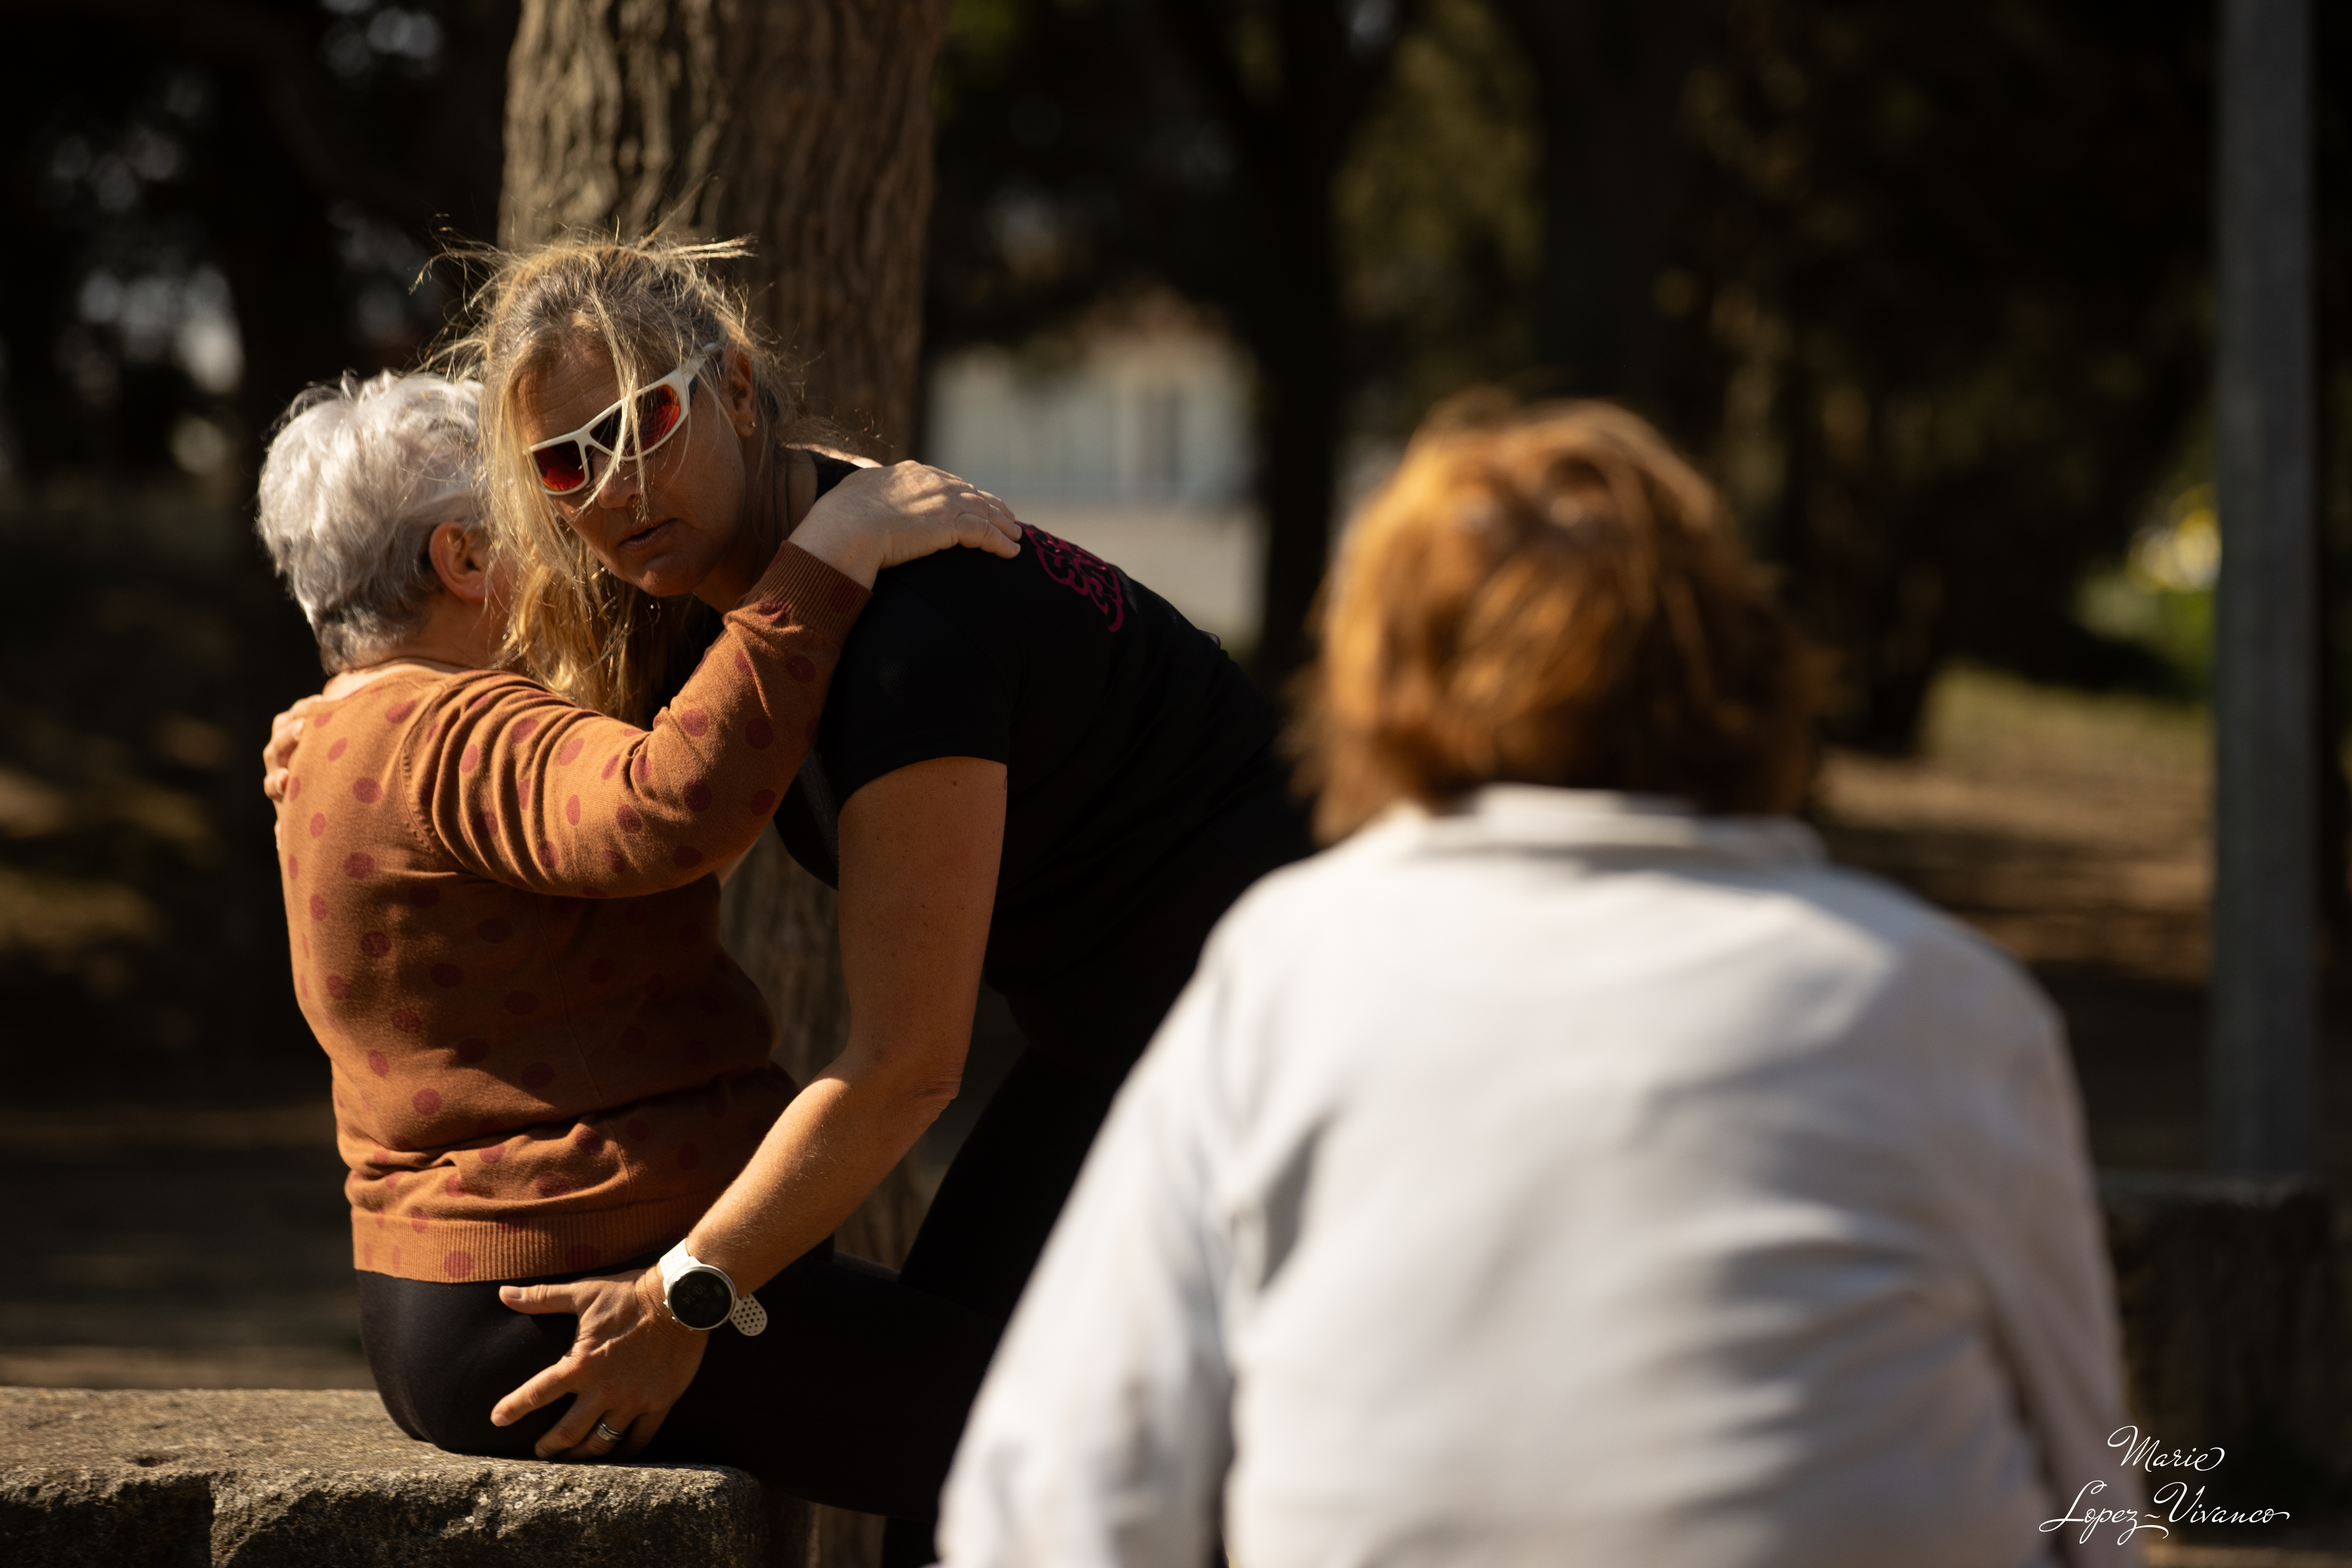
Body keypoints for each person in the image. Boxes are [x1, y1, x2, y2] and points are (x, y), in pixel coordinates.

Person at [937, 403, 2144, 1568]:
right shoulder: (1945, 999)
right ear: (1746, 666)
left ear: (1378, 682)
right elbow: (2092, 1498)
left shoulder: (1291, 971)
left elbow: (1064, 1498)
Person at [465, 234, 1316, 1563]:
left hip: (1282, 1030)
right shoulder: (739, 582)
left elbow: (908, 1068)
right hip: (1128, 1027)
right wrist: (354, 720)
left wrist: (687, 1293)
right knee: (964, 1424)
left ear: (738, 388)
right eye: (565, 462)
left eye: (643, 423)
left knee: (996, 1447)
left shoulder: (913, 638)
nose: (613, 485)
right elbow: (466, 628)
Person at [254, 366, 1030, 1522]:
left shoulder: (339, 737)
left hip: (460, 1302)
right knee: (1051, 1429)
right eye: (540, 521)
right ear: (466, 559)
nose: (579, 546)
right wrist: (827, 556)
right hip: (573, 1299)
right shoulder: (452, 728)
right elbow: (667, 806)